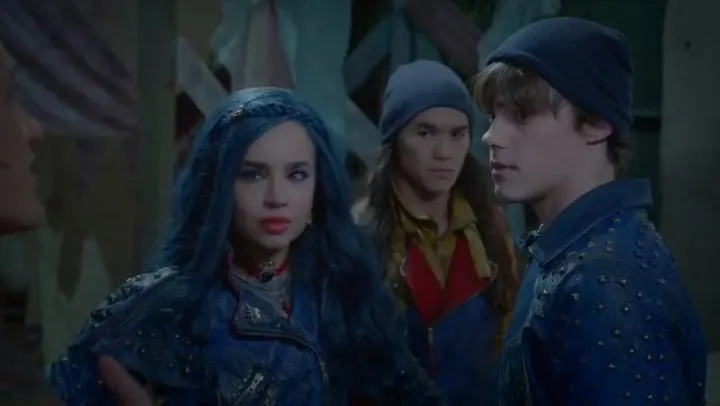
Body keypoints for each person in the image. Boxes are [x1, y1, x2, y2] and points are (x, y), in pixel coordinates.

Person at [46, 87, 445, 405]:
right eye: (253, 175)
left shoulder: (345, 294)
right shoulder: (161, 302)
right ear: (219, 187)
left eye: (296, 175)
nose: (276, 197)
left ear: (319, 190)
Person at [473, 17, 707, 405]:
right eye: (493, 116)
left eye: (521, 114)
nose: (491, 136)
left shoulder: (605, 279)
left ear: (596, 123)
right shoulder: (570, 248)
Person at [353, 60, 518, 405]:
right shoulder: (358, 236)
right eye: (425, 133)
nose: (444, 153)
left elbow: (509, 342)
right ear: (395, 138)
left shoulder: (489, 230)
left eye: (457, 134)